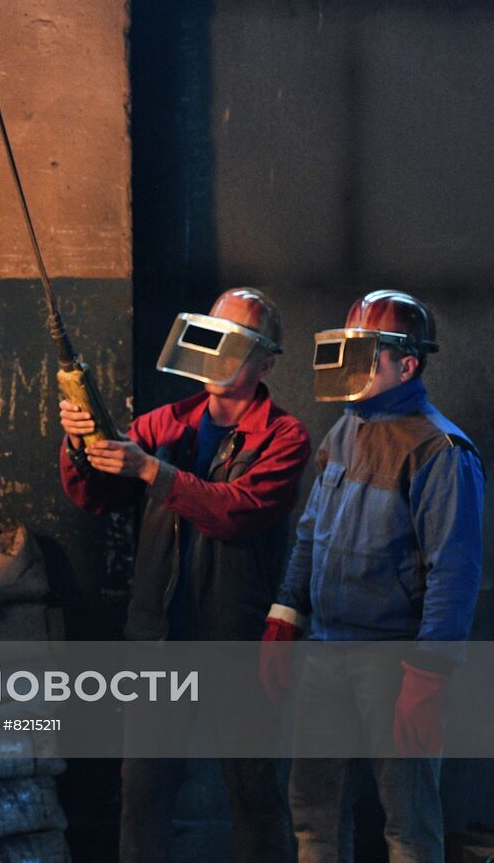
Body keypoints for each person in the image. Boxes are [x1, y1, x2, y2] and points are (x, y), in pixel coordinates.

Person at [58, 287, 311, 863]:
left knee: (252, 793)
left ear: (266, 363)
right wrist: (81, 440)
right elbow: (96, 496)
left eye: (237, 347)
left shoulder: (284, 436)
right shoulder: (164, 423)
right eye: (213, 340)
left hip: (236, 642)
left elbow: (236, 511)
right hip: (157, 642)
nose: (219, 357)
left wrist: (152, 470)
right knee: (143, 791)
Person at [260, 290, 484, 863]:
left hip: (394, 663)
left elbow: (453, 575)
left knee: (407, 825)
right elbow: (311, 534)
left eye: (368, 355)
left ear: (407, 364)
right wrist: (286, 616)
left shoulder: (441, 450)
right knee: (313, 816)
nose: (352, 368)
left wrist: (428, 677)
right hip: (326, 652)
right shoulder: (346, 431)